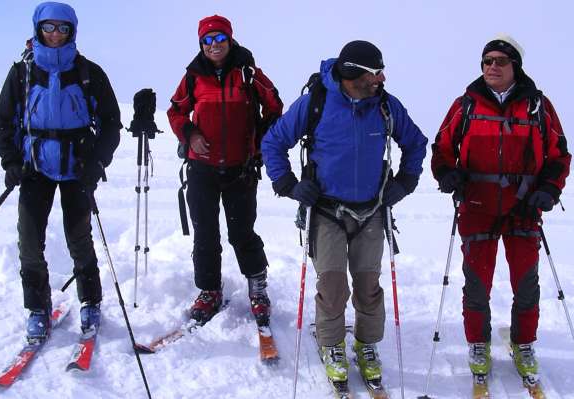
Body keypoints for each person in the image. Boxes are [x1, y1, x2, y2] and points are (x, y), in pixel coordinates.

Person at [262, 40, 428, 385]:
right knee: (333, 284)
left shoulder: (385, 106)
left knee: (368, 284)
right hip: (326, 210)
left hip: (372, 209)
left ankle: (367, 345)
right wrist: (290, 185)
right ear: (353, 73)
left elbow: (415, 142)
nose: (380, 78)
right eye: (374, 72)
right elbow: (273, 142)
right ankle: (332, 344)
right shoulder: (316, 103)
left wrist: (406, 181)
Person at [430, 34, 571, 381]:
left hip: (523, 208)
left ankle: (523, 343)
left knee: (526, 283)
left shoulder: (538, 106)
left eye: (500, 61)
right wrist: (447, 174)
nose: (492, 66)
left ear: (515, 67)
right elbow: (442, 148)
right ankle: (478, 342)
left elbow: (558, 155)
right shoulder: (466, 105)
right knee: (477, 283)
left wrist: (550, 189)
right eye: (487, 61)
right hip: (476, 205)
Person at [0, 2, 122, 341]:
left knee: (79, 238)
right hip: (34, 168)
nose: (54, 34)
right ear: (38, 29)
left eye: (62, 28)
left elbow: (110, 122)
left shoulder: (88, 72)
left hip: (77, 168)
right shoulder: (22, 72)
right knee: (30, 242)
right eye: (48, 27)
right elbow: (4, 122)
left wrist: (97, 162)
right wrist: (10, 162)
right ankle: (37, 308)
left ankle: (91, 302)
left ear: (72, 31)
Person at [166, 15, 283, 326]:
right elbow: (176, 110)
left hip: (240, 168)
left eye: (220, 38)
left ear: (230, 40)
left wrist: (258, 143)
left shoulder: (248, 72)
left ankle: (257, 289)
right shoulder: (193, 76)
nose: (214, 45)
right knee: (205, 233)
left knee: (242, 232)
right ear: (201, 44)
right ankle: (209, 291)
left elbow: (274, 107)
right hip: (201, 169)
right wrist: (189, 134)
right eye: (208, 40)